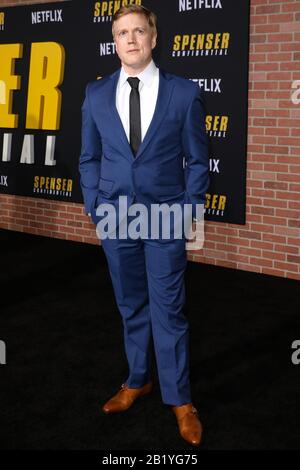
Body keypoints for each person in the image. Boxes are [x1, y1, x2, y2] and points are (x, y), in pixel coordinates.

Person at [79, 4, 209, 446]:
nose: (130, 39)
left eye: (138, 31)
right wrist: (96, 206)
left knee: (168, 308)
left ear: (153, 38)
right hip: (115, 217)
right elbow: (89, 157)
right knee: (130, 304)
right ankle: (138, 379)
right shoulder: (95, 95)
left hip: (165, 216)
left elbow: (197, 159)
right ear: (114, 41)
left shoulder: (184, 93)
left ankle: (179, 398)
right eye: (122, 32)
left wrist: (189, 208)